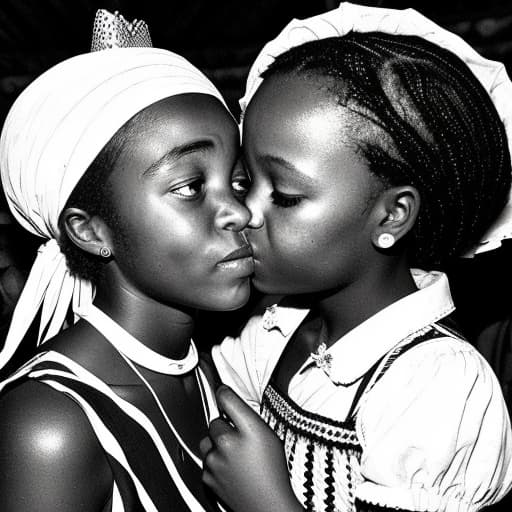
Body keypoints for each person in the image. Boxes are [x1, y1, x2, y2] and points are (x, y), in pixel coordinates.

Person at [202, 3, 512, 512]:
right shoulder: (279, 327)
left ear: (391, 217)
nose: (242, 212)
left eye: (281, 193)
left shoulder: (436, 385)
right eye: (245, 182)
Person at [0, 9, 253, 512]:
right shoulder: (50, 425)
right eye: (190, 187)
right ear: (90, 230)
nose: (240, 212)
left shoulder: (204, 368)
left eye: (239, 181)